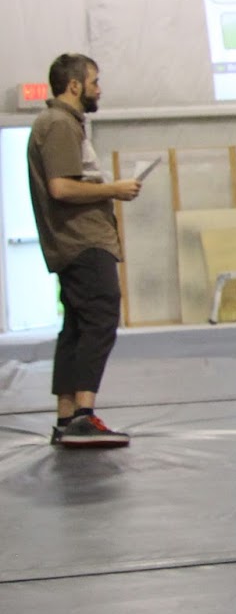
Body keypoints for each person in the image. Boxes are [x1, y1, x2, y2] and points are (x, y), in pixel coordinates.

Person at [27, 53, 141, 447]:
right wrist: (115, 189)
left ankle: (66, 417)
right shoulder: (59, 124)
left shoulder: (60, 124)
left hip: (75, 241)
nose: (99, 88)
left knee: (76, 326)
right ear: (74, 85)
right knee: (99, 319)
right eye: (94, 81)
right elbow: (62, 188)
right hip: (83, 241)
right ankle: (83, 416)